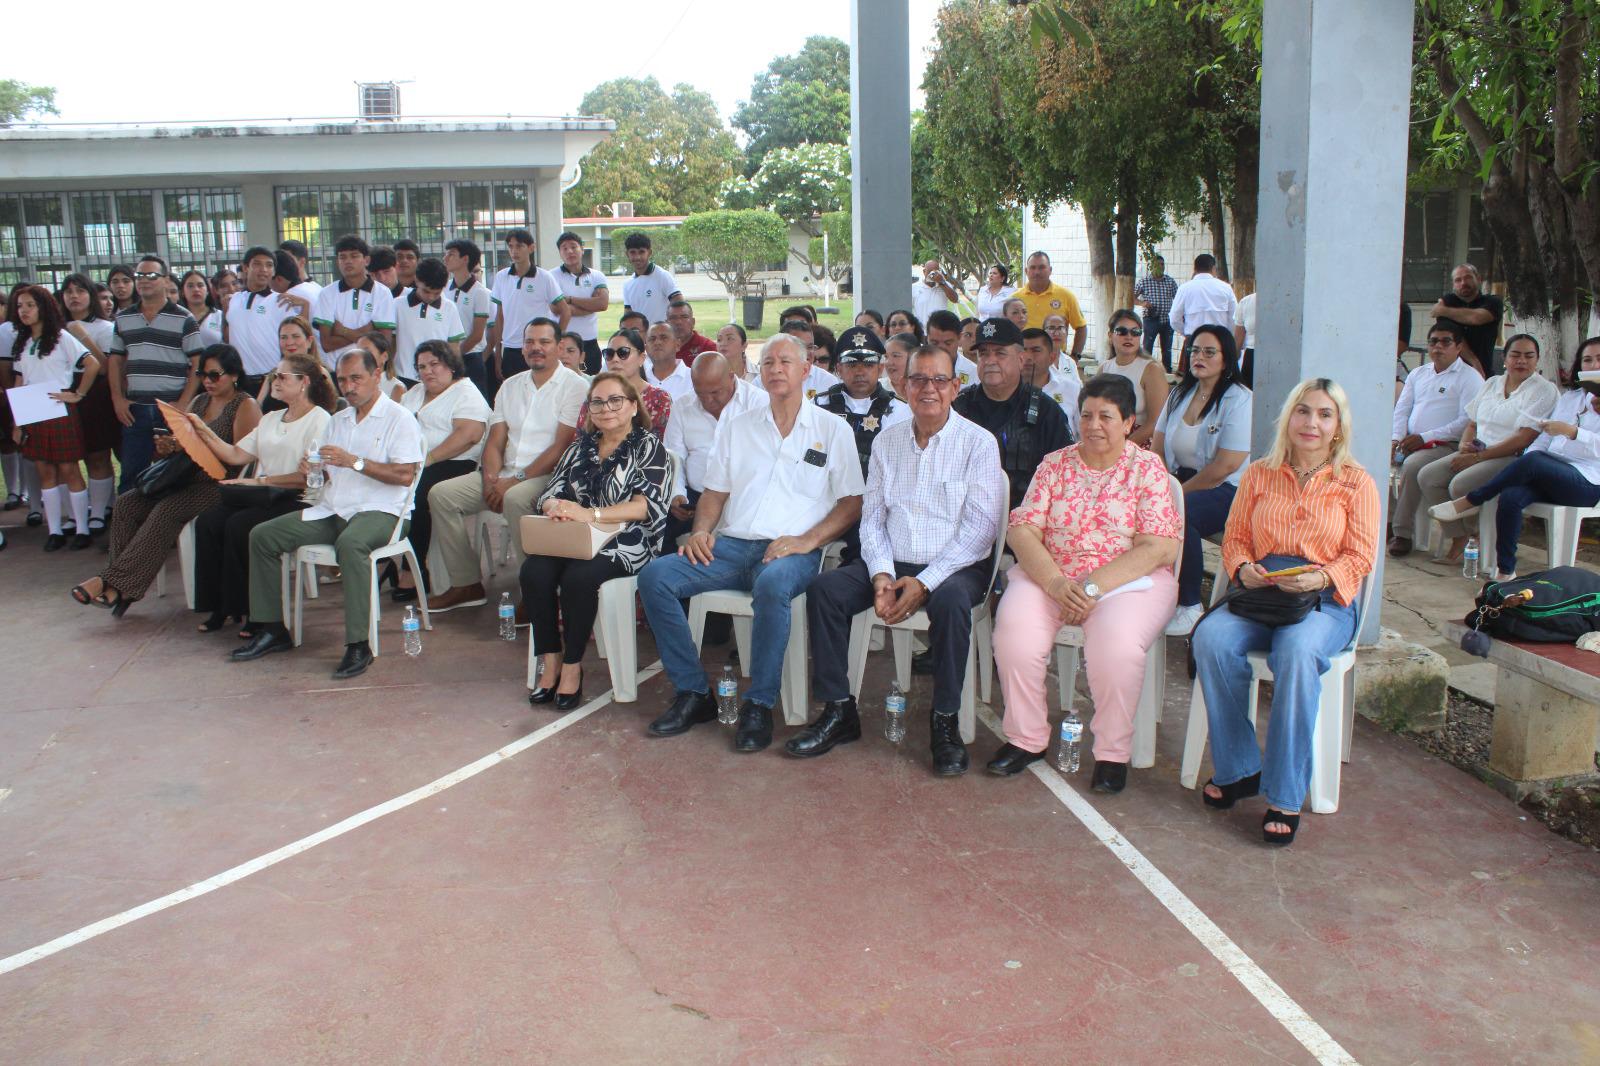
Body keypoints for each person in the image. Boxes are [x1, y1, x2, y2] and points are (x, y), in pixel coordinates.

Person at [638, 334, 865, 751]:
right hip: (731, 545)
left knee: (773, 585)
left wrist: (807, 540)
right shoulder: (738, 426)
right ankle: (693, 693)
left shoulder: (832, 429)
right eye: (769, 362)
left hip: (790, 550)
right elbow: (715, 492)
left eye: (785, 361)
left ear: (806, 369)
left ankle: (759, 704)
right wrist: (702, 530)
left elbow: (852, 502)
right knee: (655, 577)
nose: (776, 369)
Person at [795, 343, 1006, 773]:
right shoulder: (887, 442)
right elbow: (872, 519)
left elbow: (980, 532)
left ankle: (944, 722)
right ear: (903, 386)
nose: (928, 388)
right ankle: (838, 710)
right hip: (891, 561)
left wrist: (926, 582)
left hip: (955, 566)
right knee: (826, 590)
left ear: (956, 387)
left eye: (939, 380)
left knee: (951, 603)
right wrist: (881, 575)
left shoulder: (978, 444)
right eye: (918, 379)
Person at [1193, 378, 1379, 846]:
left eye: (1324, 414)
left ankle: (1285, 793)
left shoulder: (1356, 482)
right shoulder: (1260, 473)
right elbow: (1236, 538)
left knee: (1295, 652)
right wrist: (1243, 568)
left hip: (1324, 598)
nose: (1311, 422)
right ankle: (1240, 769)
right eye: (1303, 411)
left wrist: (1320, 578)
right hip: (1262, 591)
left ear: (1338, 427)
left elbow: (1360, 557)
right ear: (1288, 418)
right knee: (1211, 639)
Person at [989, 375, 1182, 791]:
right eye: (1086, 415)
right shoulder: (1055, 464)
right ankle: (1026, 738)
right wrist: (1057, 584)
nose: (1093, 425)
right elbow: (1022, 530)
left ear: (1128, 423)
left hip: (1129, 583)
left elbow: (1160, 547)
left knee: (1116, 646)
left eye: (1106, 417)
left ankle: (1112, 753)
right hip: (1053, 577)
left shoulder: (1146, 469)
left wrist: (1092, 587)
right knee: (1014, 632)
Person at [231, 348, 425, 680]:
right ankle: (272, 628)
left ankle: (359, 644)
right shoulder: (338, 420)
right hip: (334, 508)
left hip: (383, 511)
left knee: (351, 544)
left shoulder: (399, 418)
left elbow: (405, 475)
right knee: (263, 535)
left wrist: (354, 462)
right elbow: (323, 472)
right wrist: (314, 470)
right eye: (343, 380)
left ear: (376, 375)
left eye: (356, 378)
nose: (349, 387)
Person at [73, 344, 260, 612]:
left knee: (167, 510)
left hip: (220, 484)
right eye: (202, 374)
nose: (207, 381)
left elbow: (242, 457)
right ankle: (119, 587)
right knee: (126, 503)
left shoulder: (245, 405)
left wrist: (205, 441)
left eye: (215, 375)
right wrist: (170, 445)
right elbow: (184, 444)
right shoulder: (199, 401)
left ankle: (110, 583)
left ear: (233, 375)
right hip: (184, 477)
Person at [523, 372, 671, 709]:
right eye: (598, 402)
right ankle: (551, 658)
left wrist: (591, 514)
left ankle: (572, 666)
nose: (607, 409)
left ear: (633, 406)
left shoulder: (649, 447)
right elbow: (550, 492)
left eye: (616, 400)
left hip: (628, 539)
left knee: (579, 578)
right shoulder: (580, 448)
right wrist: (555, 507)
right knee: (533, 571)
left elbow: (643, 507)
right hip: (574, 536)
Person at [427, 317, 586, 611]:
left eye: (544, 342)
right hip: (503, 475)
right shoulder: (510, 386)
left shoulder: (575, 387)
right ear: (522, 347)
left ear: (560, 346)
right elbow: (496, 440)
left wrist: (513, 482)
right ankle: (466, 584)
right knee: (442, 495)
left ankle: (535, 594)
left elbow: (561, 446)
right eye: (529, 342)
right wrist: (491, 479)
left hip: (549, 477)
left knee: (514, 498)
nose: (536, 348)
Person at [186, 351, 336, 633]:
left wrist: (259, 482)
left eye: (281, 377)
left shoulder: (320, 420)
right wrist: (202, 429)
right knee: (208, 522)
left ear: (303, 382)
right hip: (264, 495)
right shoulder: (271, 418)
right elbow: (235, 454)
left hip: (298, 499)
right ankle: (220, 605)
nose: (274, 382)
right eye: (273, 376)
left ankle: (255, 612)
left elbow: (307, 478)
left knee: (239, 525)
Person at [1430, 336, 1600, 580]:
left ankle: (1471, 500)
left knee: (1534, 460)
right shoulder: (1571, 398)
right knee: (1511, 496)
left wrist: (1574, 432)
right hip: (1551, 472)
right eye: (1588, 360)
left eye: (1599, 359)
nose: (1594, 365)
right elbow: (1544, 438)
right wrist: (1530, 460)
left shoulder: (1547, 391)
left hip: (1588, 482)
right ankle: (1505, 572)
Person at [1417, 333, 1557, 561]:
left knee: (1461, 484)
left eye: (1529, 356)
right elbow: (1473, 423)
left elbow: (1524, 438)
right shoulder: (1492, 383)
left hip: (1512, 458)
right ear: (1505, 358)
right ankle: (1459, 536)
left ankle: (1477, 537)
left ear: (1537, 360)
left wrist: (1477, 458)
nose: (1521, 361)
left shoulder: (1544, 390)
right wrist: (1465, 445)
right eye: (1515, 355)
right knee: (1428, 476)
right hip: (1478, 451)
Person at [1150, 324, 1252, 636]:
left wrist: (1175, 494)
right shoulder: (1180, 393)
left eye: (1209, 352)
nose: (1199, 357)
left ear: (1226, 358)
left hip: (1227, 488)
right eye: (1195, 350)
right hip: (1180, 480)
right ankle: (1155, 592)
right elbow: (1157, 448)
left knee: (1181, 515)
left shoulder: (1240, 400)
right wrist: (1162, 486)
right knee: (1141, 507)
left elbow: (1225, 465)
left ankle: (1190, 605)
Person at [6, 285, 99, 551]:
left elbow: (92, 364)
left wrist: (78, 394)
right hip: (31, 410)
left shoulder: (61, 337)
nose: (23, 311)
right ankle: (55, 530)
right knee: (44, 470)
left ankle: (82, 529)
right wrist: (17, 422)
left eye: (30, 305)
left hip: (58, 408)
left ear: (43, 308)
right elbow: (19, 380)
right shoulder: (22, 341)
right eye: (20, 306)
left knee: (69, 469)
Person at [396, 341, 491, 600]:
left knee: (416, 493)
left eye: (434, 364)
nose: (427, 371)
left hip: (455, 463)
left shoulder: (465, 393)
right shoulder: (415, 393)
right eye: (421, 367)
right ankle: (390, 554)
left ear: (450, 365)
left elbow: (469, 435)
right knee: (385, 484)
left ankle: (413, 569)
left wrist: (429, 458)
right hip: (412, 462)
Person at [952, 318, 1074, 512]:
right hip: (963, 514)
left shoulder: (1046, 411)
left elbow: (1065, 474)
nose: (990, 361)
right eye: (983, 354)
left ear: (1021, 360)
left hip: (1024, 519)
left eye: (1000, 353)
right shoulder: (958, 407)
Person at [107, 254, 203, 491]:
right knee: (130, 478)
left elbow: (197, 363)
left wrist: (183, 403)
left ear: (165, 279)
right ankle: (129, 516)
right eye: (139, 275)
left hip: (170, 408)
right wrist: (117, 399)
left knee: (172, 476)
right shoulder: (124, 318)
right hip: (135, 409)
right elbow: (115, 361)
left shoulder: (184, 318)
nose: (143, 280)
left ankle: (165, 516)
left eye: (151, 275)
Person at [1388, 318, 1483, 556]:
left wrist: (1425, 437)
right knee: (1373, 459)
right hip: (1412, 442)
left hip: (1449, 445)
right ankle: (1385, 522)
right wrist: (1395, 439)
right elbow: (1402, 410)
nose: (1438, 347)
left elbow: (1465, 422)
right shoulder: (1418, 373)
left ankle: (1401, 533)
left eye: (1445, 342)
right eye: (1433, 342)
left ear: (1458, 347)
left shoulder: (1469, 378)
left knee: (1412, 466)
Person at [663, 351, 770, 546]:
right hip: (694, 497)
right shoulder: (683, 406)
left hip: (741, 499)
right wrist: (677, 494)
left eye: (715, 393)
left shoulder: (759, 403)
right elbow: (674, 458)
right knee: (658, 528)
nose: (707, 400)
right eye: (700, 393)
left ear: (731, 377)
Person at [57, 274, 118, 534]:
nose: (74, 296)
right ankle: (73, 514)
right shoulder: (54, 326)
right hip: (62, 392)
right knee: (64, 458)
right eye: (68, 291)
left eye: (80, 291)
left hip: (94, 395)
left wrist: (82, 336)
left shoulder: (105, 328)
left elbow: (105, 367)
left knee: (97, 454)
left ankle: (99, 511)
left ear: (90, 296)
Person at [487, 228, 568, 388]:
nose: (514, 251)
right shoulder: (502, 277)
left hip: (537, 348)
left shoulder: (544, 277)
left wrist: (555, 341)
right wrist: (498, 355)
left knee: (541, 390)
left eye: (519, 246)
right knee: (514, 393)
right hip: (511, 349)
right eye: (511, 246)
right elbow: (500, 316)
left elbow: (565, 311)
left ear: (531, 248)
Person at [311, 235, 397, 369]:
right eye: (342, 257)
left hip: (371, 371)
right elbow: (326, 344)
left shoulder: (382, 293)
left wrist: (342, 330)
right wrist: (367, 332)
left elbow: (384, 343)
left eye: (354, 256)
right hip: (337, 371)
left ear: (366, 260)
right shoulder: (327, 293)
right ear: (337, 261)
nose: (348, 261)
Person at [225, 246, 299, 395]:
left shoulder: (281, 301)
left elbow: (296, 340)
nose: (263, 269)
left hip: (271, 380)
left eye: (269, 265)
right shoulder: (233, 300)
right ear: (246, 268)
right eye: (257, 264)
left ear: (274, 271)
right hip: (240, 382)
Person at [1095, 309, 1169, 448]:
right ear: (1110, 335)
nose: (1129, 337)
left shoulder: (1151, 370)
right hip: (1107, 440)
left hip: (1140, 443)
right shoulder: (1104, 369)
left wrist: (1122, 447)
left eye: (1135, 332)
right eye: (1122, 331)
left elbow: (1156, 422)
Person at [586, 328, 672, 438]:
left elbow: (658, 444)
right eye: (609, 354)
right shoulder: (596, 395)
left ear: (641, 358)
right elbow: (582, 438)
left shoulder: (659, 399)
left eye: (623, 352)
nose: (615, 359)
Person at [391, 257, 465, 382]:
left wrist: (455, 375)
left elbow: (454, 347)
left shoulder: (449, 308)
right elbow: (391, 342)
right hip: (403, 377)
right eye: (426, 291)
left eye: (437, 293)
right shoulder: (397, 305)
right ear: (416, 280)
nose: (431, 297)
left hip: (437, 378)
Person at [1168, 253, 1238, 374]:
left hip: (1194, 340)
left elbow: (1174, 319)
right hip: (1219, 340)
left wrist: (1186, 332)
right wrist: (1228, 337)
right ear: (1213, 268)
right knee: (1218, 378)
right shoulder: (1225, 288)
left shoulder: (1185, 288)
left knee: (1192, 379)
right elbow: (1234, 318)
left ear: (1194, 269)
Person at [442, 238, 494, 397]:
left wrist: (455, 355)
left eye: (451, 254)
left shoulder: (480, 292)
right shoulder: (444, 288)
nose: (445, 258)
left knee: (475, 401)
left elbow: (477, 335)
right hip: (446, 357)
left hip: (469, 357)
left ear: (465, 259)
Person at [1431, 263, 1502, 376]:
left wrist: (1443, 311)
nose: (1463, 283)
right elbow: (1453, 335)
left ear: (1478, 279)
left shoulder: (1493, 302)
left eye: (1468, 277)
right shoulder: (1448, 301)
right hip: (1450, 373)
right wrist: (1473, 361)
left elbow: (1477, 318)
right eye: (1458, 280)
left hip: (1484, 372)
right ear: (1453, 285)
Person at [553, 231, 609, 374]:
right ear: (559, 253)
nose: (569, 251)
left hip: (590, 343)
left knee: (591, 384)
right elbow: (555, 308)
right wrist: (591, 305)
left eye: (573, 247)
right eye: (564, 248)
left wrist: (570, 301)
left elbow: (602, 304)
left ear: (582, 249)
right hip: (563, 343)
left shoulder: (596, 276)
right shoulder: (551, 276)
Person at [1015, 252, 1087, 359]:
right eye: (1032, 268)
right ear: (1026, 271)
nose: (1037, 272)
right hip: (1023, 359)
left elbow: (1081, 327)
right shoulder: (1014, 299)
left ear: (1050, 270)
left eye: (1042, 267)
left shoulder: (1066, 296)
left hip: (1055, 359)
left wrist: (1075, 356)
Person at [1020, 327, 1080, 439]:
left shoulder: (1073, 390)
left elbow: (1083, 435)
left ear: (1052, 358)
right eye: (1022, 350)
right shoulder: (1004, 390)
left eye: (1036, 350)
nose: (1027, 357)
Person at [767, 319, 841, 399]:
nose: (806, 352)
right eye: (800, 346)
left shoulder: (828, 381)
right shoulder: (764, 380)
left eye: (810, 347)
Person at [621, 233, 681, 324]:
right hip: (639, 333)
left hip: (662, 332)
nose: (637, 257)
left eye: (641, 252)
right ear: (627, 254)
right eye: (633, 252)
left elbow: (679, 304)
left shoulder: (662, 276)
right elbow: (628, 315)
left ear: (649, 253)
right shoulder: (627, 284)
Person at [1133, 255, 1178, 370]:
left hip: (1167, 320)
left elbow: (1178, 299)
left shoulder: (1170, 281)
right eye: (1158, 264)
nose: (1161, 267)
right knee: (1148, 347)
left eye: (1163, 264)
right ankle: (1145, 369)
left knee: (1167, 348)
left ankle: (1167, 371)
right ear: (1152, 266)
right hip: (1151, 319)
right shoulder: (1144, 282)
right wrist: (1143, 303)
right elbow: (1132, 297)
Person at [925, 309, 980, 388]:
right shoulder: (916, 368)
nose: (941, 349)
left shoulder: (974, 373)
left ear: (959, 338)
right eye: (934, 343)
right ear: (927, 339)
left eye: (948, 343)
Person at [643, 321, 693, 401]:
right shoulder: (639, 378)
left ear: (677, 345)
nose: (657, 342)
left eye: (664, 338)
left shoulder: (693, 379)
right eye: (652, 339)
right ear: (646, 348)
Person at [356, 333, 407, 403]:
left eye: (367, 352)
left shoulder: (397, 388)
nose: (360, 357)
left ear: (384, 357)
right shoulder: (353, 384)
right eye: (358, 352)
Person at [179, 270, 223, 348]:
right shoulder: (177, 317)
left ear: (207, 290)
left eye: (200, 285)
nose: (196, 289)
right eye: (190, 286)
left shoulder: (220, 316)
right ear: (182, 291)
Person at [666, 299, 716, 368]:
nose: (678, 322)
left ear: (693, 322)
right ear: (666, 323)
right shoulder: (661, 348)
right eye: (673, 318)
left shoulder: (707, 348)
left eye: (684, 317)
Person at [1042, 314, 1081, 383]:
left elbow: (1078, 387)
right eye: (1051, 328)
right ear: (1043, 333)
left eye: (1061, 328)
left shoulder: (1070, 362)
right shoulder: (1036, 360)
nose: (1056, 333)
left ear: (1066, 333)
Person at [1232, 291, 1257, 387]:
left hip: (1252, 356)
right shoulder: (1245, 302)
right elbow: (1237, 343)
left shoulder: (1247, 301)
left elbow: (1237, 343)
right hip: (1251, 357)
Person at [883, 332, 918, 401]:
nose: (888, 362)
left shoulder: (926, 388)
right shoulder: (876, 388)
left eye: (895, 356)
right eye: (886, 357)